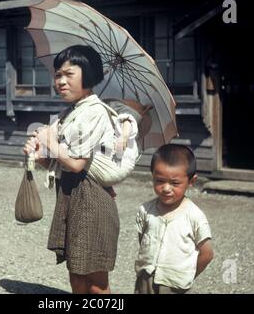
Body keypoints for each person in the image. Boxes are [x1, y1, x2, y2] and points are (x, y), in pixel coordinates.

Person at [23, 45, 119, 294]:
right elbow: (58, 163)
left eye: (69, 74)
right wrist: (38, 153)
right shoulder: (68, 114)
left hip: (91, 199)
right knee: (76, 274)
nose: (61, 81)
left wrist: (49, 142)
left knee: (96, 280)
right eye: (57, 75)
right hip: (70, 196)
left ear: (88, 74)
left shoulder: (95, 111)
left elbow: (76, 163)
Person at [134, 144, 214, 294]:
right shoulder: (146, 210)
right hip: (145, 279)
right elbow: (143, 240)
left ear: (191, 181)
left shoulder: (194, 216)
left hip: (176, 286)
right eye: (159, 181)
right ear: (152, 176)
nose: (166, 188)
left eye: (175, 183)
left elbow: (207, 253)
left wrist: (188, 273)